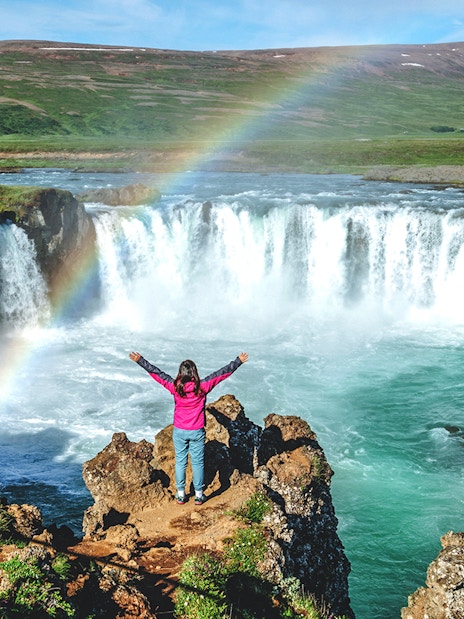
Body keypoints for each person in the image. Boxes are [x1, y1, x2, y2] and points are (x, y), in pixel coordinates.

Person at [129, 351, 248, 505]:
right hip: (197, 431)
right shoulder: (202, 387)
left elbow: (157, 373)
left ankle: (181, 494)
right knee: (198, 462)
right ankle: (199, 495)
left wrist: (140, 361)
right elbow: (221, 373)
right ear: (194, 373)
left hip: (179, 430)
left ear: (180, 373)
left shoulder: (175, 387)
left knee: (181, 462)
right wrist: (238, 361)